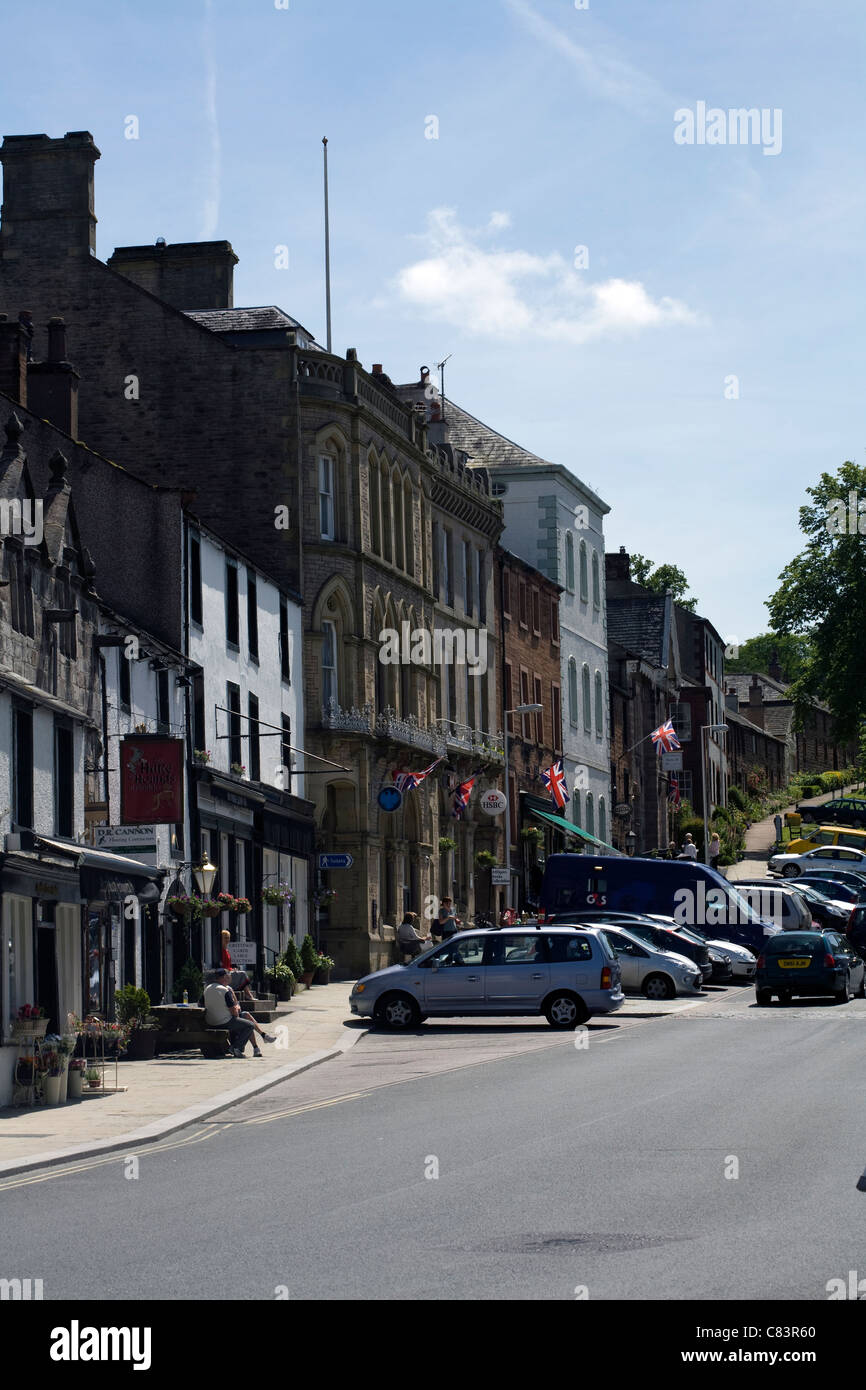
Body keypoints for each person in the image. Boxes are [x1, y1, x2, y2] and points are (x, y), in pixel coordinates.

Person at [203, 970, 257, 1057]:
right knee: (250, 1025)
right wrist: (236, 1013)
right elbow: (234, 1012)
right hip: (224, 1022)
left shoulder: (207, 989)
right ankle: (236, 1047)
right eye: (227, 975)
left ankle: (236, 1046)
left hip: (210, 1022)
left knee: (240, 1022)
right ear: (224, 977)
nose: (229, 977)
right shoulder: (225, 990)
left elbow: (200, 1003)